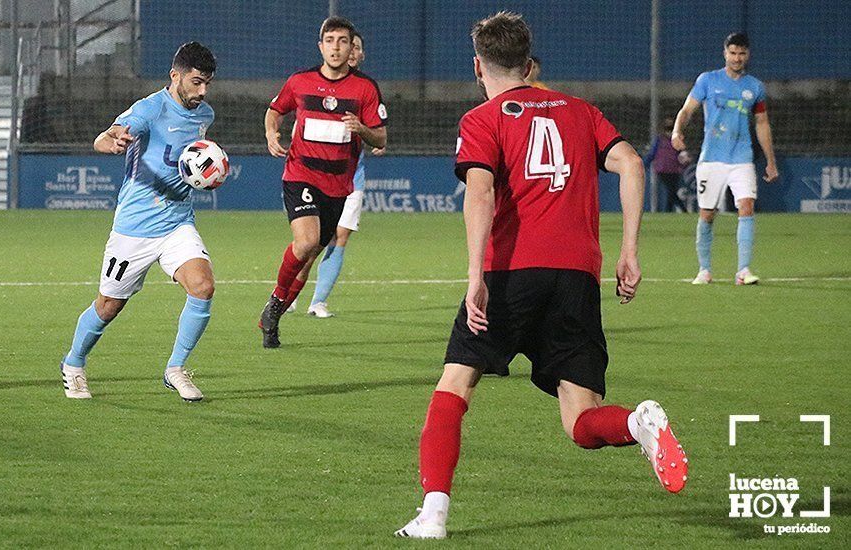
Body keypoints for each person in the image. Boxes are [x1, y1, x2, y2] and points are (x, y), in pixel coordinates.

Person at [395, 12, 688, 540]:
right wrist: (628, 252)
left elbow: (480, 194)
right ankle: (636, 424)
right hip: (576, 277)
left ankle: (433, 514)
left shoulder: (482, 119)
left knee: (455, 385)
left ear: (478, 67)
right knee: (582, 421)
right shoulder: (581, 111)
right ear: (529, 64)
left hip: (511, 272)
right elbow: (633, 165)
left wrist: (474, 276)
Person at [59, 42, 218, 402]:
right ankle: (73, 363)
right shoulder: (149, 108)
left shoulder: (204, 114)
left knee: (203, 286)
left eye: (207, 83)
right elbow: (107, 135)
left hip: (178, 223)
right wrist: (113, 141)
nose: (202, 90)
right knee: (108, 307)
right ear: (174, 75)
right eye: (196, 82)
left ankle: (175, 369)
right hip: (134, 228)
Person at [261, 16, 387, 347]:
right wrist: (272, 133)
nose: (336, 47)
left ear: (351, 48)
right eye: (329, 40)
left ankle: (272, 319)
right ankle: (275, 306)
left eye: (342, 41)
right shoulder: (300, 81)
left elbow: (381, 137)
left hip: (339, 186)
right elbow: (275, 110)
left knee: (312, 253)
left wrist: (363, 129)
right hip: (300, 173)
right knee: (304, 243)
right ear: (321, 46)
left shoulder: (365, 88)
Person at [672, 32, 778, 285]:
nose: (737, 58)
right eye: (733, 53)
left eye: (742, 53)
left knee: (746, 206)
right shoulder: (707, 80)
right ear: (725, 53)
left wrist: (770, 160)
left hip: (742, 158)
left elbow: (762, 123)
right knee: (707, 213)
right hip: (712, 159)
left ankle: (743, 270)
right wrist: (677, 129)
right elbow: (687, 109)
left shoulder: (755, 87)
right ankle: (704, 270)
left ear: (747, 55)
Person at [306, 31, 386, 319]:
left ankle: (318, 301)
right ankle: (288, 292)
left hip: (352, 178)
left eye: (355, 47)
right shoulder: (318, 85)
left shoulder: (365, 90)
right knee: (312, 240)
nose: (349, 51)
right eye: (343, 45)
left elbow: (378, 132)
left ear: (360, 54)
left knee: (340, 236)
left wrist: (373, 138)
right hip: (316, 177)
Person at [643, 117, 689, 212]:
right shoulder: (660, 140)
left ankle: (668, 211)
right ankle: (683, 210)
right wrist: (644, 165)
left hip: (674, 169)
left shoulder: (676, 140)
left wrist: (684, 163)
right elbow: (652, 153)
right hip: (663, 169)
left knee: (671, 192)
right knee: (671, 191)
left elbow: (683, 155)